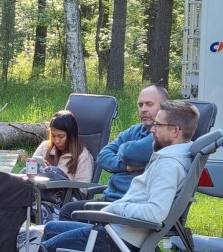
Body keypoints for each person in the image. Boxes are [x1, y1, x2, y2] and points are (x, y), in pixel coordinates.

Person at [33, 100, 200, 252]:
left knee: (44, 251)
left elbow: (154, 213)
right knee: (52, 229)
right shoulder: (178, 156)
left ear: (175, 131)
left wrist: (114, 208)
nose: (152, 129)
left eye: (158, 125)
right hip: (122, 233)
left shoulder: (168, 165)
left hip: (120, 239)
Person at [58, 85, 169, 221]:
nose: (143, 109)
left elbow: (130, 152)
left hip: (129, 207)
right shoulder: (134, 131)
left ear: (164, 107)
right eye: (140, 105)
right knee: (68, 211)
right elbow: (103, 156)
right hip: (111, 199)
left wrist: (122, 149)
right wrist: (125, 166)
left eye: (149, 104)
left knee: (66, 215)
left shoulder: (163, 136)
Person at [32, 110, 94, 182]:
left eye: (61, 136)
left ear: (71, 135)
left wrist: (53, 174)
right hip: (38, 187)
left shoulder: (83, 156)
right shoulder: (44, 147)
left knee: (53, 172)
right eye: (53, 136)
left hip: (64, 189)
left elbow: (82, 186)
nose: (57, 141)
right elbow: (29, 172)